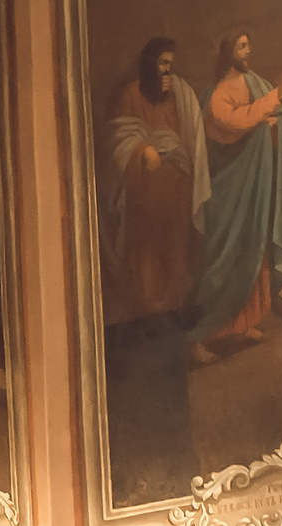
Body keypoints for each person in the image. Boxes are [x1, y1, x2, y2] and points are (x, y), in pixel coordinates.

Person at [188, 31, 282, 366]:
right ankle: (198, 335)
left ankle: (244, 322)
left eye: (248, 44)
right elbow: (234, 123)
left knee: (256, 250)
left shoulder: (254, 82)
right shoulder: (217, 94)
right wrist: (277, 96)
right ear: (228, 52)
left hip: (255, 185)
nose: (248, 49)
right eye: (241, 46)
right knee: (224, 259)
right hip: (228, 191)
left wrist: (275, 114)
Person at [104, 36, 207, 326]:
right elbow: (119, 135)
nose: (167, 71)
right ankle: (149, 314)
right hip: (146, 193)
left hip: (177, 192)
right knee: (148, 252)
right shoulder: (131, 94)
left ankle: (173, 310)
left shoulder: (178, 95)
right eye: (163, 63)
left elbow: (190, 136)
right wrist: (142, 148)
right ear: (150, 64)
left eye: (170, 65)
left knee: (175, 251)